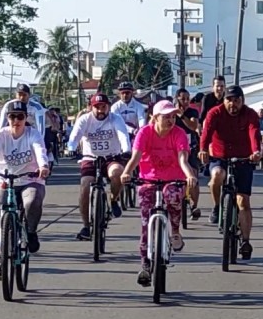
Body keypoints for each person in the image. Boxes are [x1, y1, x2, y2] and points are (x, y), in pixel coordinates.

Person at [121, 100, 198, 286]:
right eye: (166, 117)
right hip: (148, 180)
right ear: (154, 118)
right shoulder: (144, 133)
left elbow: (182, 159)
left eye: (173, 116)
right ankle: (145, 266)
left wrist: (190, 176)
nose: (171, 120)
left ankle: (176, 231)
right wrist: (126, 172)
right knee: (146, 222)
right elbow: (136, 157)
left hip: (173, 179)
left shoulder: (179, 134)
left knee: (173, 197)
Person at [0, 101, 51, 280]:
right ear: (7, 118)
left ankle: (31, 232)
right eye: (12, 117)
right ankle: (1, 264)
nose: (16, 121)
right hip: (6, 180)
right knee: (3, 225)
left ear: (26, 118)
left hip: (30, 179)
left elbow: (40, 151)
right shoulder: (1, 135)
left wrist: (43, 166)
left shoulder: (33, 134)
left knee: (32, 201)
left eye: (20, 117)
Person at [199, 84, 262, 259]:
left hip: (244, 159)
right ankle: (217, 206)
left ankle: (246, 241)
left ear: (242, 101)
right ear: (223, 100)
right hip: (220, 156)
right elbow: (206, 133)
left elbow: (254, 133)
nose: (233, 104)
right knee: (217, 175)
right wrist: (203, 149)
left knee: (243, 201)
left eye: (237, 100)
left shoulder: (250, 114)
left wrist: (256, 152)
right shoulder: (215, 113)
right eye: (229, 100)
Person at [67, 93, 132, 240]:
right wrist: (71, 147)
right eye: (97, 107)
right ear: (91, 107)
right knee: (85, 186)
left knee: (117, 173)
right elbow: (75, 136)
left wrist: (126, 150)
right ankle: (86, 226)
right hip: (90, 158)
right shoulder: (85, 120)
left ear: (108, 107)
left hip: (111, 157)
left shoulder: (115, 118)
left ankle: (114, 199)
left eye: (104, 107)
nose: (101, 110)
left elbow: (123, 135)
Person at [174, 88, 202, 220]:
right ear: (177, 99)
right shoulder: (171, 112)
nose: (185, 101)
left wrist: (182, 116)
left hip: (190, 148)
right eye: (183, 98)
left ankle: (193, 205)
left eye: (187, 98)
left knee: (194, 176)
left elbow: (193, 126)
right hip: (173, 149)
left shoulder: (192, 112)